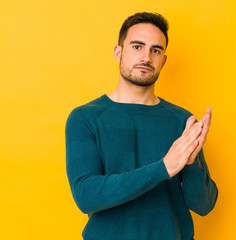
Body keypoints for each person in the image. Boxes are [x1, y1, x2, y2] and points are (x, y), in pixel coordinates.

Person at [65, 12, 218, 240]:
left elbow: (203, 206)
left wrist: (192, 162)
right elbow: (86, 196)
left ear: (163, 60)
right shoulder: (85, 118)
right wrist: (164, 167)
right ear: (119, 53)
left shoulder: (182, 121)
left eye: (155, 50)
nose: (146, 57)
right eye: (137, 47)